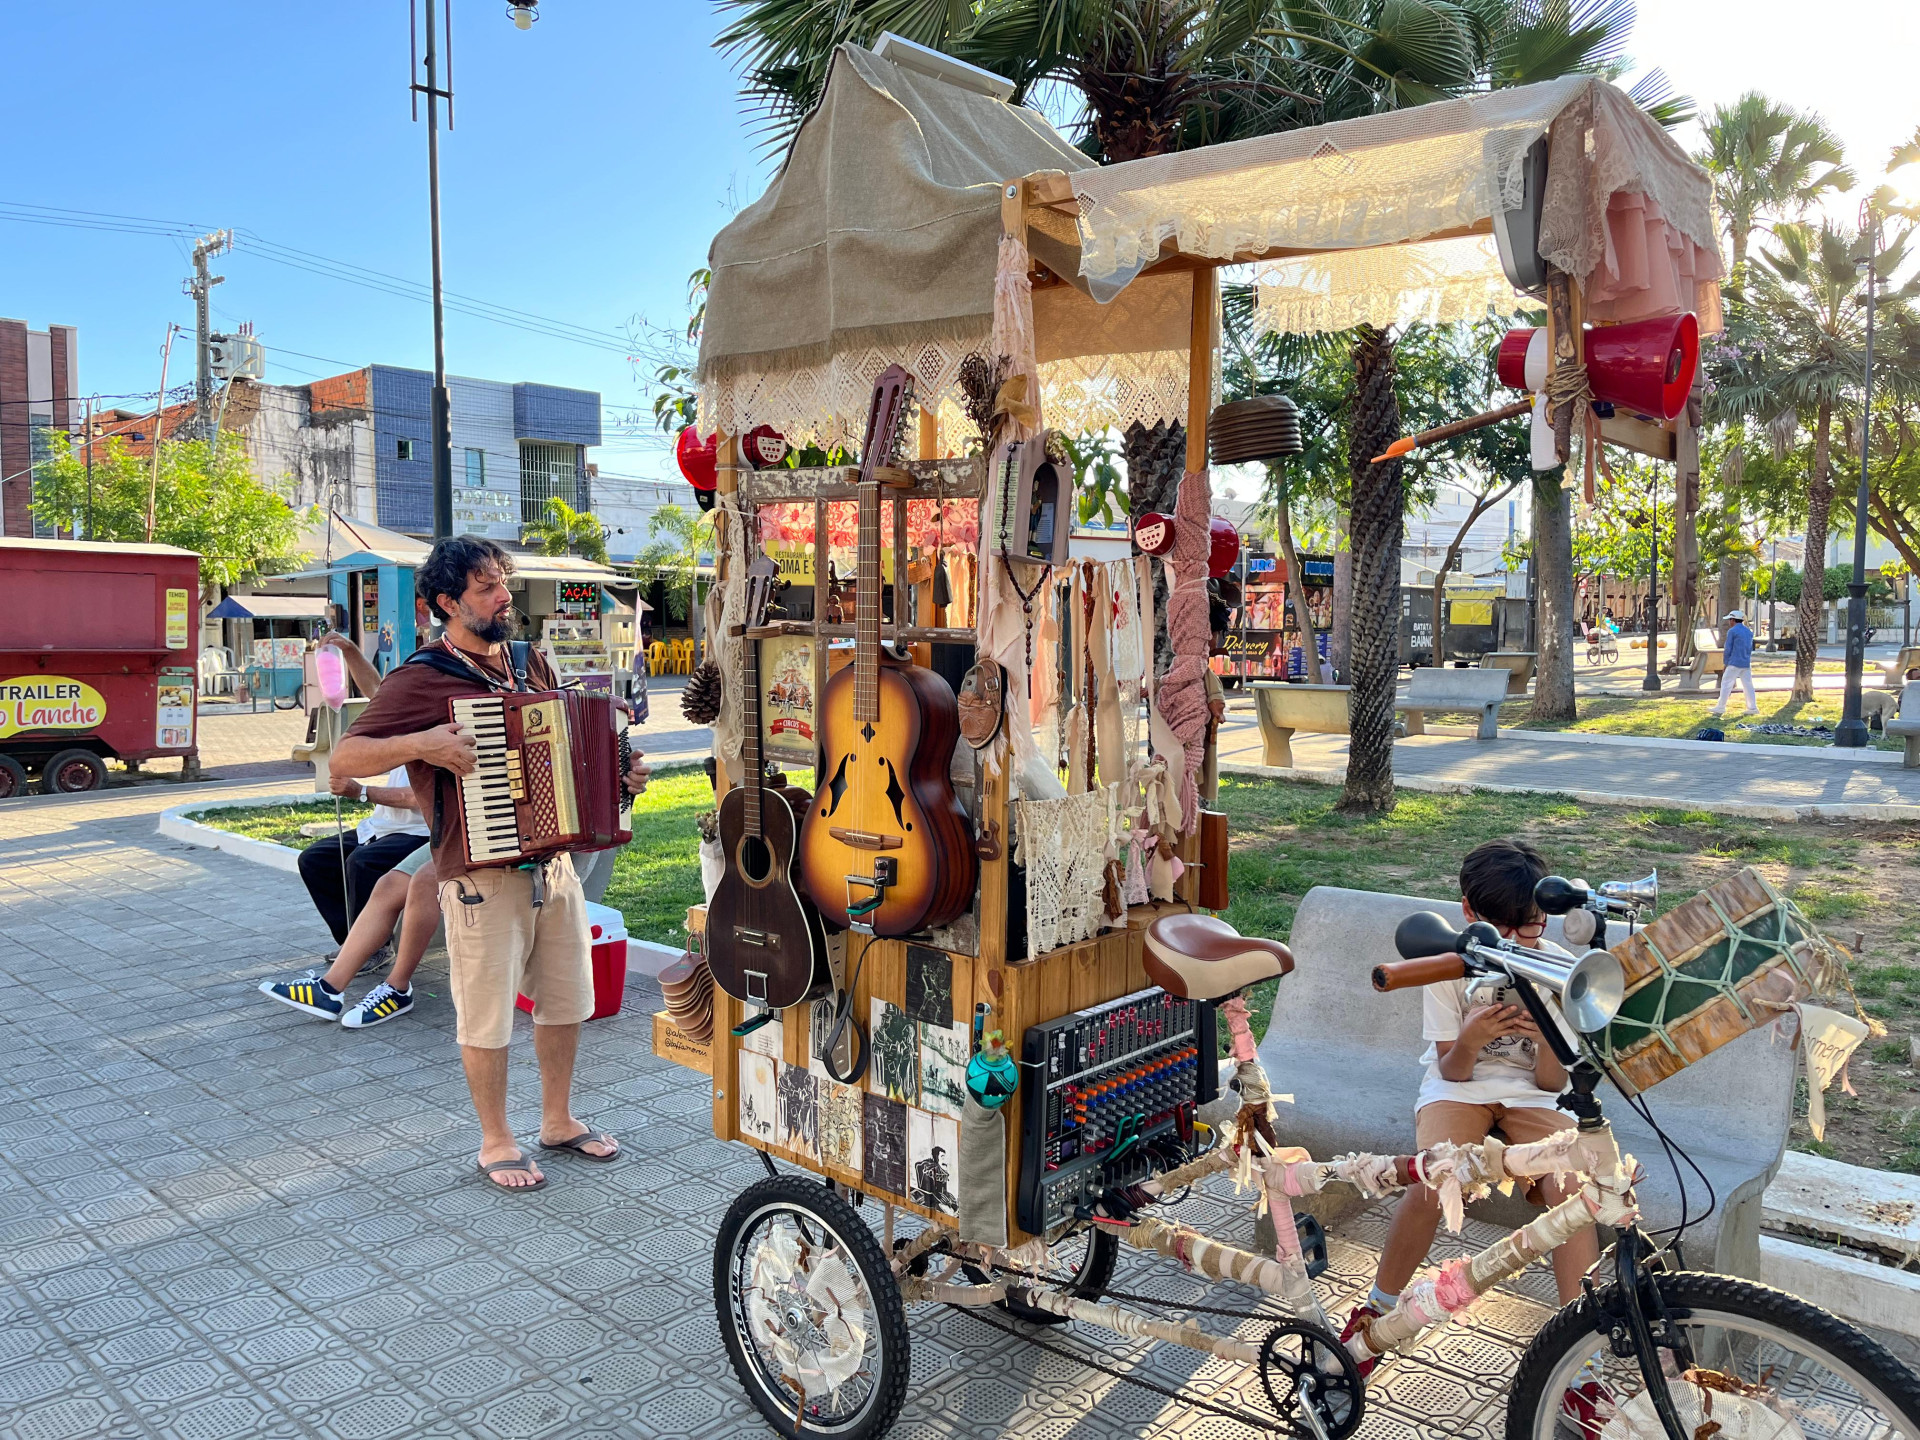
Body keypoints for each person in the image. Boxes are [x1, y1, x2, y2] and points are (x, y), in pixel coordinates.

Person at [327, 536, 652, 1193]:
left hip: (552, 867)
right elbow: (345, 759)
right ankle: (496, 1139)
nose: (504, 596)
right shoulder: (421, 677)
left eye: (503, 582)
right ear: (447, 602)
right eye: (486, 588)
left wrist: (622, 777)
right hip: (479, 875)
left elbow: (569, 753)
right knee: (486, 1013)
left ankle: (557, 1120)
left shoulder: (529, 664)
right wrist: (422, 744)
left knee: (565, 1001)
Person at [1343, 840, 1607, 1434]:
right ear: (1469, 911)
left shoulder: (1555, 966)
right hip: (1457, 1089)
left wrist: (1545, 1035)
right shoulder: (1452, 960)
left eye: (1531, 928)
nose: (1517, 942)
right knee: (1436, 1176)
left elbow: (1551, 1082)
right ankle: (1377, 1310)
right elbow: (1452, 1070)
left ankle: (1578, 1361)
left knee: (1573, 1190)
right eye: (1503, 929)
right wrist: (1472, 1036)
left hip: (1534, 1095)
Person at [297, 632, 430, 954]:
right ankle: (352, 941)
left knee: (363, 863)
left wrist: (361, 792)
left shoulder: (442, 728)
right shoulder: (407, 717)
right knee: (314, 860)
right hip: (382, 827)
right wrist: (349, 650)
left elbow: (417, 798)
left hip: (420, 832)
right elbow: (376, 691)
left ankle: (372, 947)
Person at [259, 849, 438, 1028]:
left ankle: (398, 988)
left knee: (425, 880)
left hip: (456, 841)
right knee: (389, 884)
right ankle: (328, 989)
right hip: (446, 836)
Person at [1712, 609, 1758, 718]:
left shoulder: (1732, 631)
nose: (1729, 622)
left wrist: (1725, 663)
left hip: (1734, 662)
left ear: (1733, 620)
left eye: (1730, 620)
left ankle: (1721, 707)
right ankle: (1752, 708)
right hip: (1745, 662)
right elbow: (1750, 648)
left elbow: (1728, 648)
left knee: (1726, 684)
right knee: (1748, 685)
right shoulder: (1748, 631)